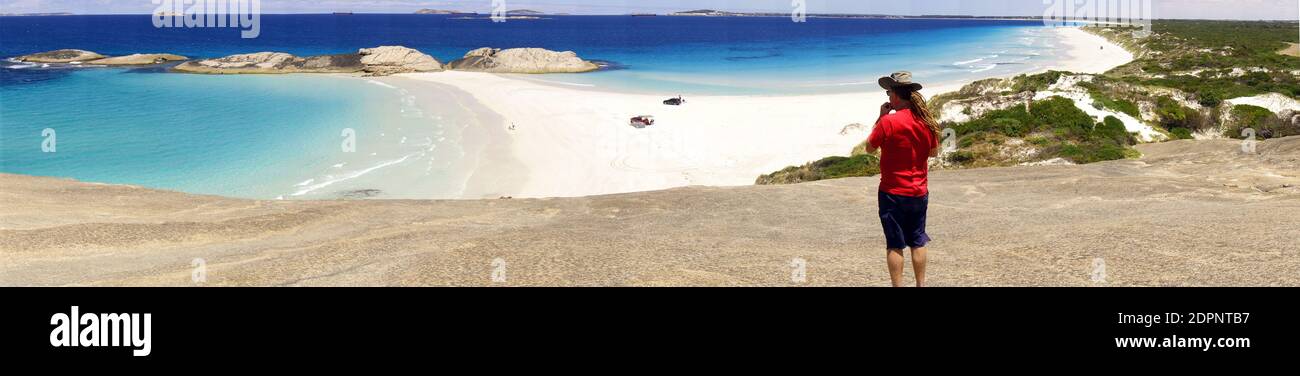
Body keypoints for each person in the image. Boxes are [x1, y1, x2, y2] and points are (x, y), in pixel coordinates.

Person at [864, 71, 942, 287]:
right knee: (918, 241)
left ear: (896, 95)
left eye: (889, 92)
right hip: (918, 191)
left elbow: (869, 148)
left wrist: (881, 117)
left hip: (892, 192)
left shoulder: (888, 122)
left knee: (895, 245)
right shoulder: (926, 122)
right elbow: (934, 153)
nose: (888, 97)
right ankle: (921, 284)